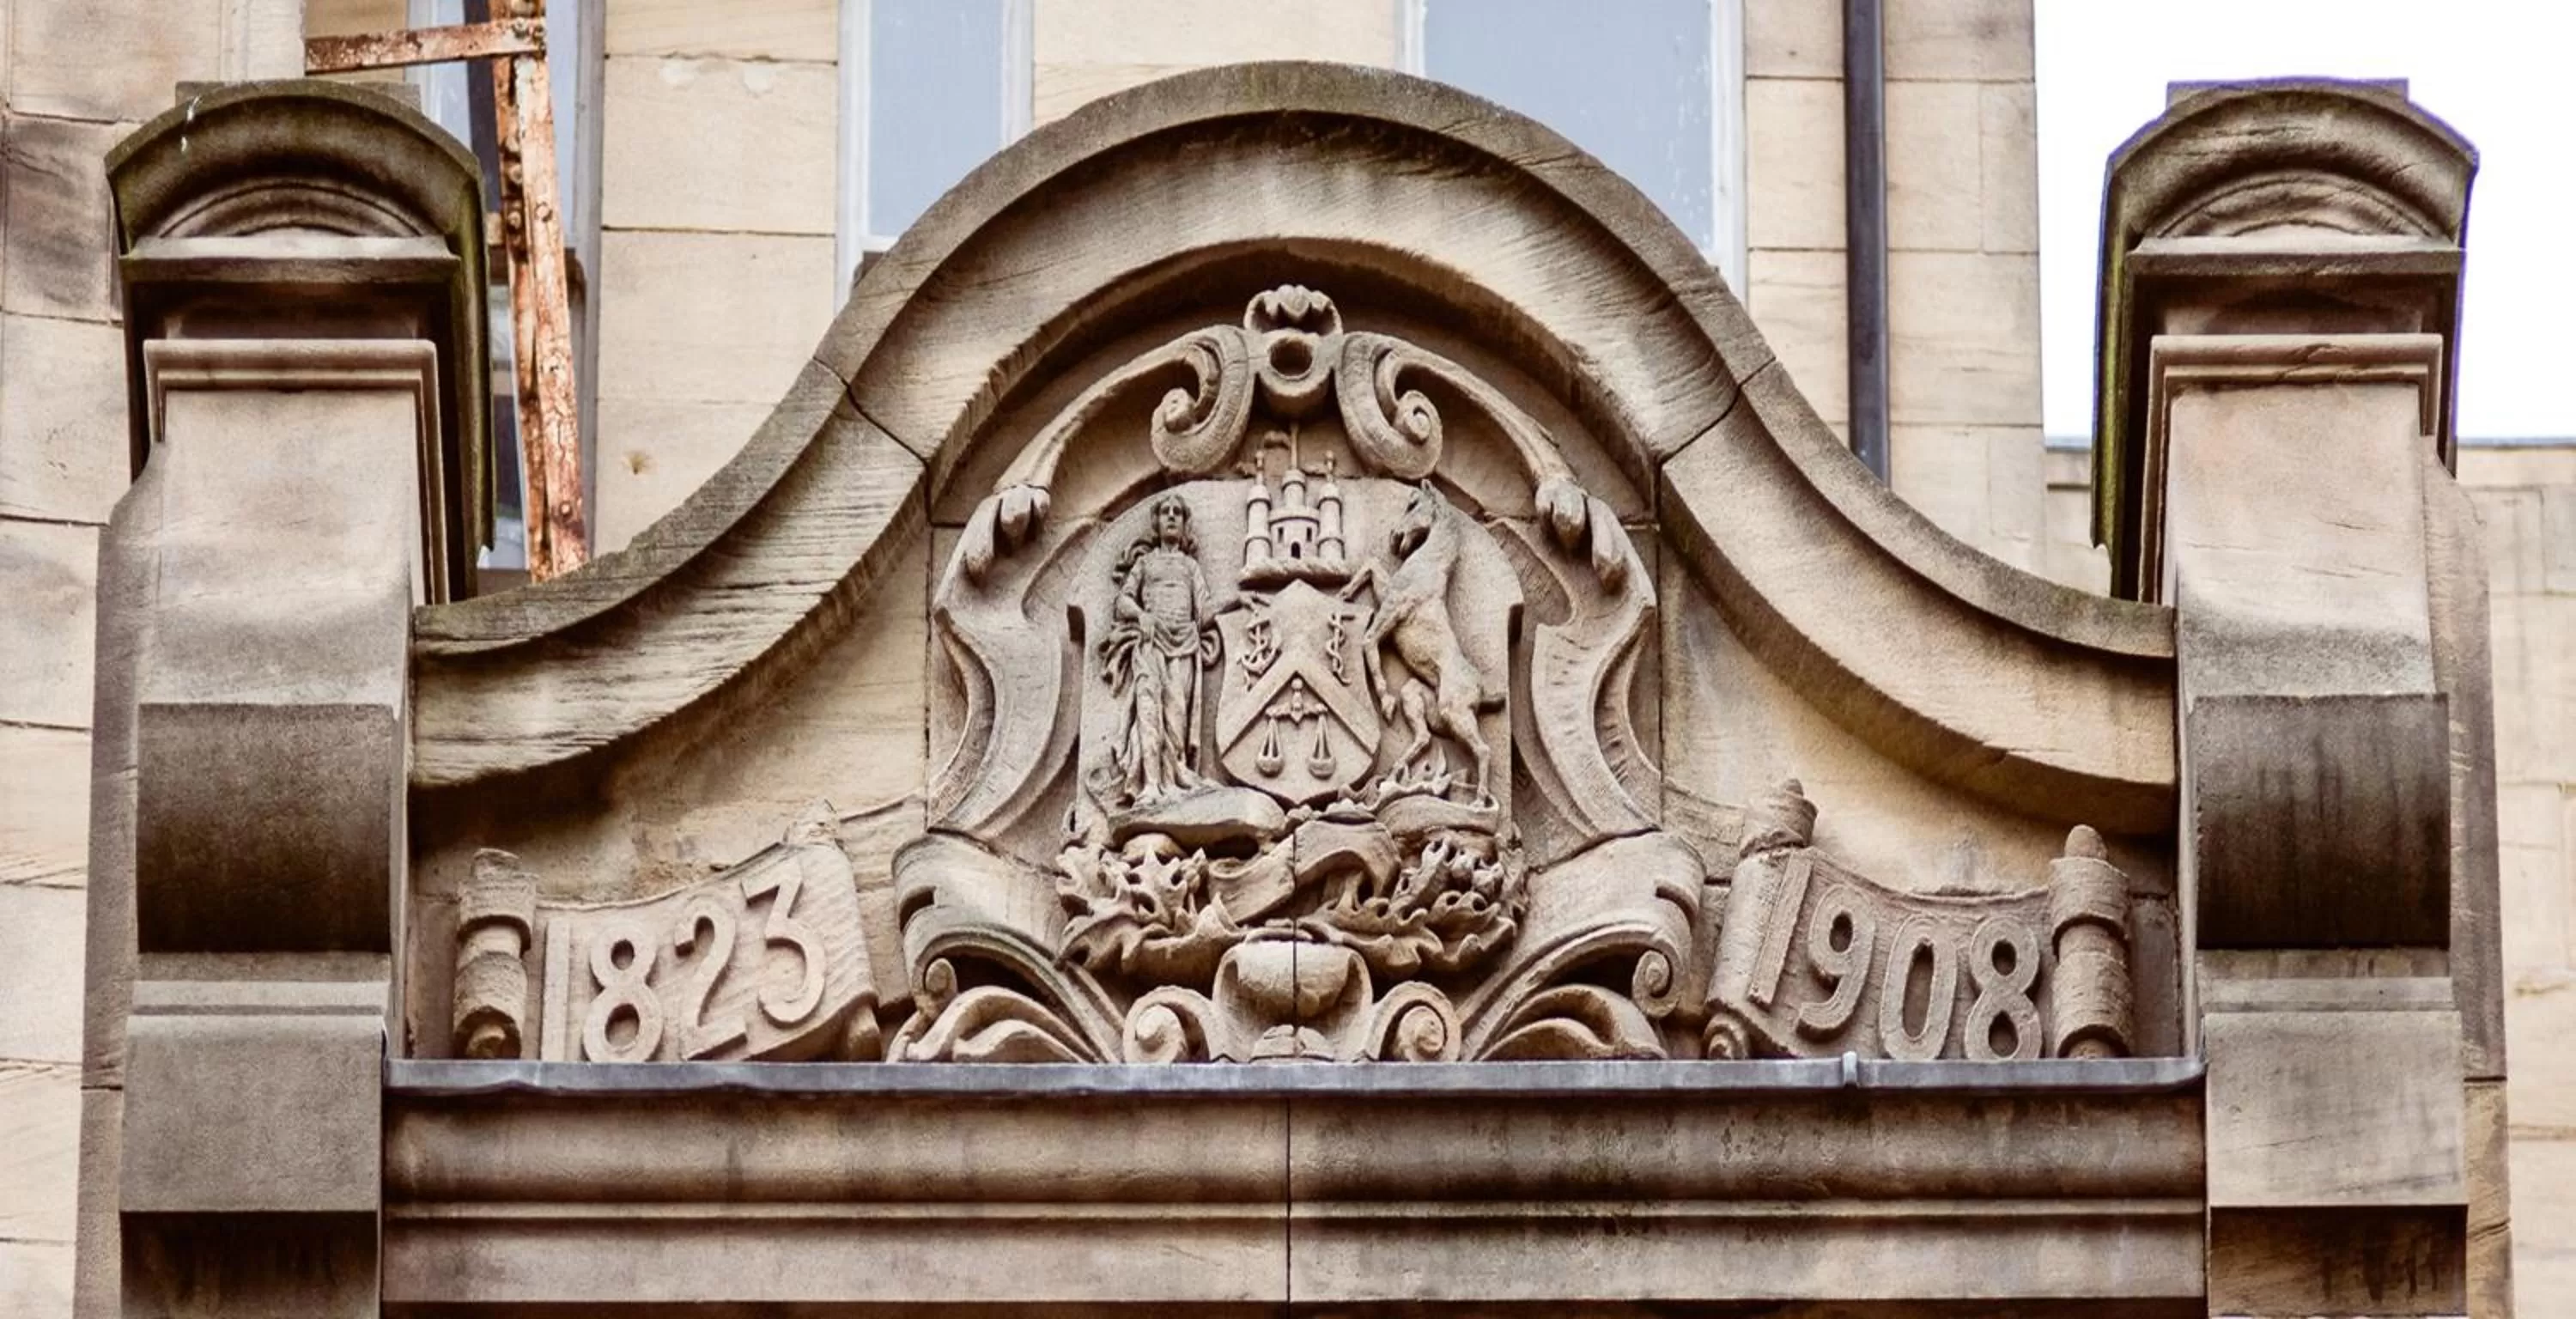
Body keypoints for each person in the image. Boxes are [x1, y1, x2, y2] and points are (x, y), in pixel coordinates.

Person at [1098, 495, 1219, 806]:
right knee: (1149, 710)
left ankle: (1173, 775)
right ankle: (1150, 784)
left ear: (1184, 523)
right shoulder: (1145, 564)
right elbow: (1122, 601)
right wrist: (1142, 616)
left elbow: (1204, 610)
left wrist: (1236, 606)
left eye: (1177, 513)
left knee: (1176, 715)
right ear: (1156, 522)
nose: (1171, 517)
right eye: (1165, 512)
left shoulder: (1190, 567)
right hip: (1150, 645)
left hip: (1185, 645)